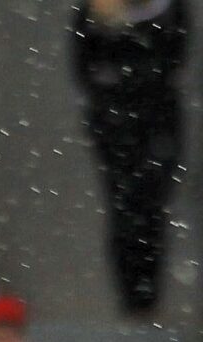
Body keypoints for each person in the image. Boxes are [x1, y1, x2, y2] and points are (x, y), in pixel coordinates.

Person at [69, 0, 189, 316]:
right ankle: (130, 299)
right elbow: (83, 65)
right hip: (115, 120)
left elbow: (176, 57)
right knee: (123, 208)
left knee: (152, 209)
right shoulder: (93, 9)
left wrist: (140, 75)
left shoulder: (170, 7)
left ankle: (149, 298)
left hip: (157, 120)